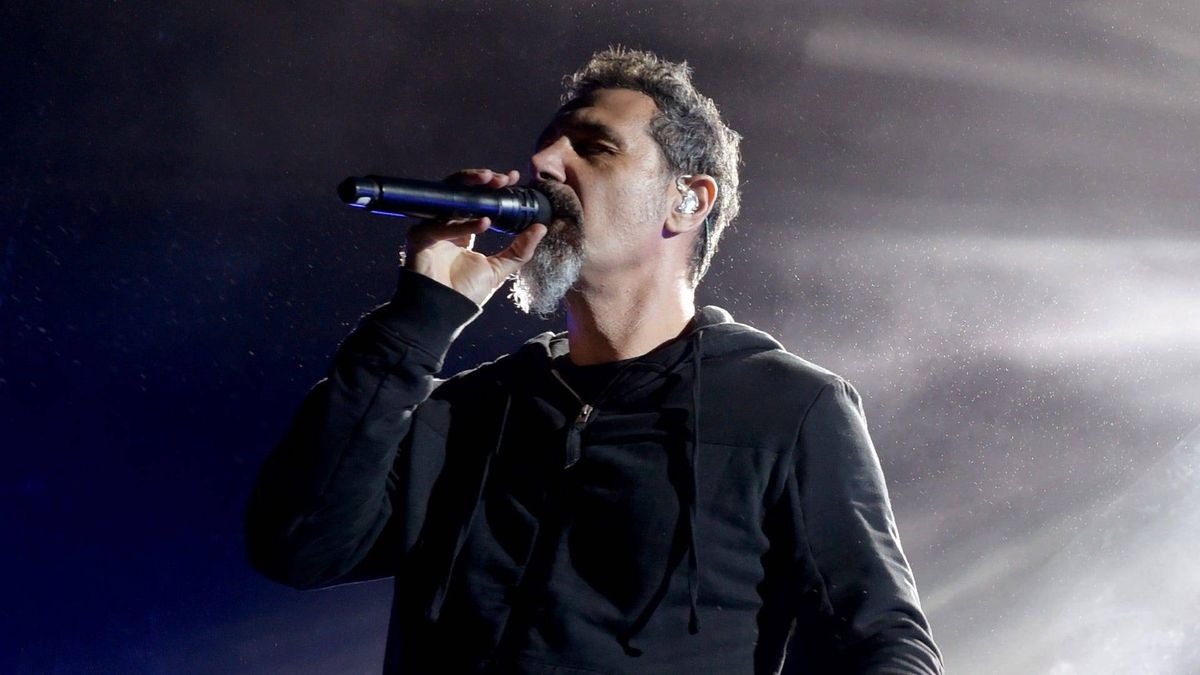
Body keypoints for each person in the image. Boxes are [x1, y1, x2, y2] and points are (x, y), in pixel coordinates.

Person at [246, 47, 943, 674]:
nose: (545, 165)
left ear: (687, 199)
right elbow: (297, 544)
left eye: (594, 147)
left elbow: (881, 639)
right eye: (545, 148)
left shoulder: (786, 408)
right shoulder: (465, 414)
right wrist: (420, 316)